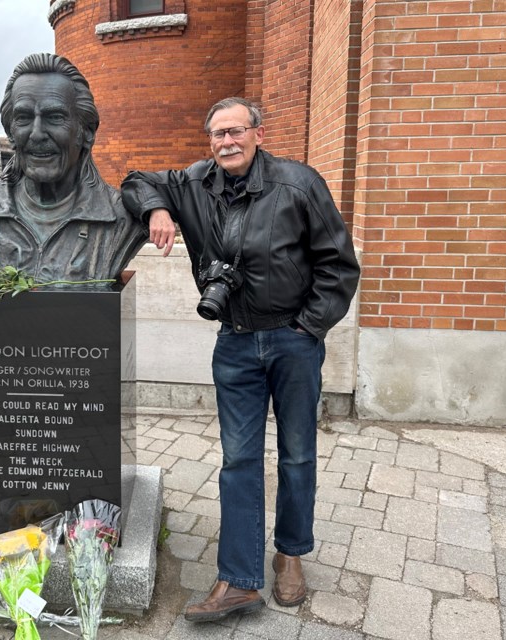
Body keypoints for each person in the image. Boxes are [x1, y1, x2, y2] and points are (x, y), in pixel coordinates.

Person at [121, 97, 360, 622]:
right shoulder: (195, 183)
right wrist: (158, 208)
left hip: (293, 341)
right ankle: (239, 579)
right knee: (238, 461)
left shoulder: (298, 184)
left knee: (297, 454)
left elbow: (339, 264)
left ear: (257, 132)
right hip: (234, 342)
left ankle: (290, 555)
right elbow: (135, 179)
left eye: (235, 131)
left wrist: (307, 327)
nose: (226, 142)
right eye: (217, 134)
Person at [0, 53, 148, 283]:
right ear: (11, 133)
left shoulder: (122, 220)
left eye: (54, 117)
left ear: (86, 132)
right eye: (24, 118)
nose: (37, 133)